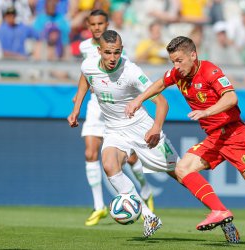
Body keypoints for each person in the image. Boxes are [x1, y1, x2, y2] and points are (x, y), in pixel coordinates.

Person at [125, 36, 245, 238]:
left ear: (193, 55)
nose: (176, 66)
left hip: (234, 134)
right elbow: (161, 83)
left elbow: (231, 97)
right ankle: (221, 213)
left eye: (179, 60)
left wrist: (207, 112)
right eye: (173, 62)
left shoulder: (209, 71)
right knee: (183, 169)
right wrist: (139, 99)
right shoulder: (178, 74)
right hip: (215, 137)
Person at [67, 29, 180, 238]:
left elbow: (161, 101)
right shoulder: (89, 65)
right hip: (114, 129)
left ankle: (218, 211)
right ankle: (148, 216)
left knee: (181, 173)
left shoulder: (131, 71)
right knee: (109, 165)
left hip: (140, 127)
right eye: (108, 53)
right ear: (99, 51)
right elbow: (85, 77)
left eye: (117, 52)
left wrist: (156, 127)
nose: (112, 58)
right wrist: (76, 108)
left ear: (122, 51)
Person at [75, 9, 154, 227]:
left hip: (118, 111)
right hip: (96, 105)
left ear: (107, 24)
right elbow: (85, 73)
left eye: (101, 23)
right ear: (88, 26)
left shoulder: (118, 54)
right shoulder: (84, 48)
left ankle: (145, 188)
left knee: (129, 159)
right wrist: (78, 100)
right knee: (90, 152)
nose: (97, 27)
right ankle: (99, 206)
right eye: (93, 24)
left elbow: (128, 80)